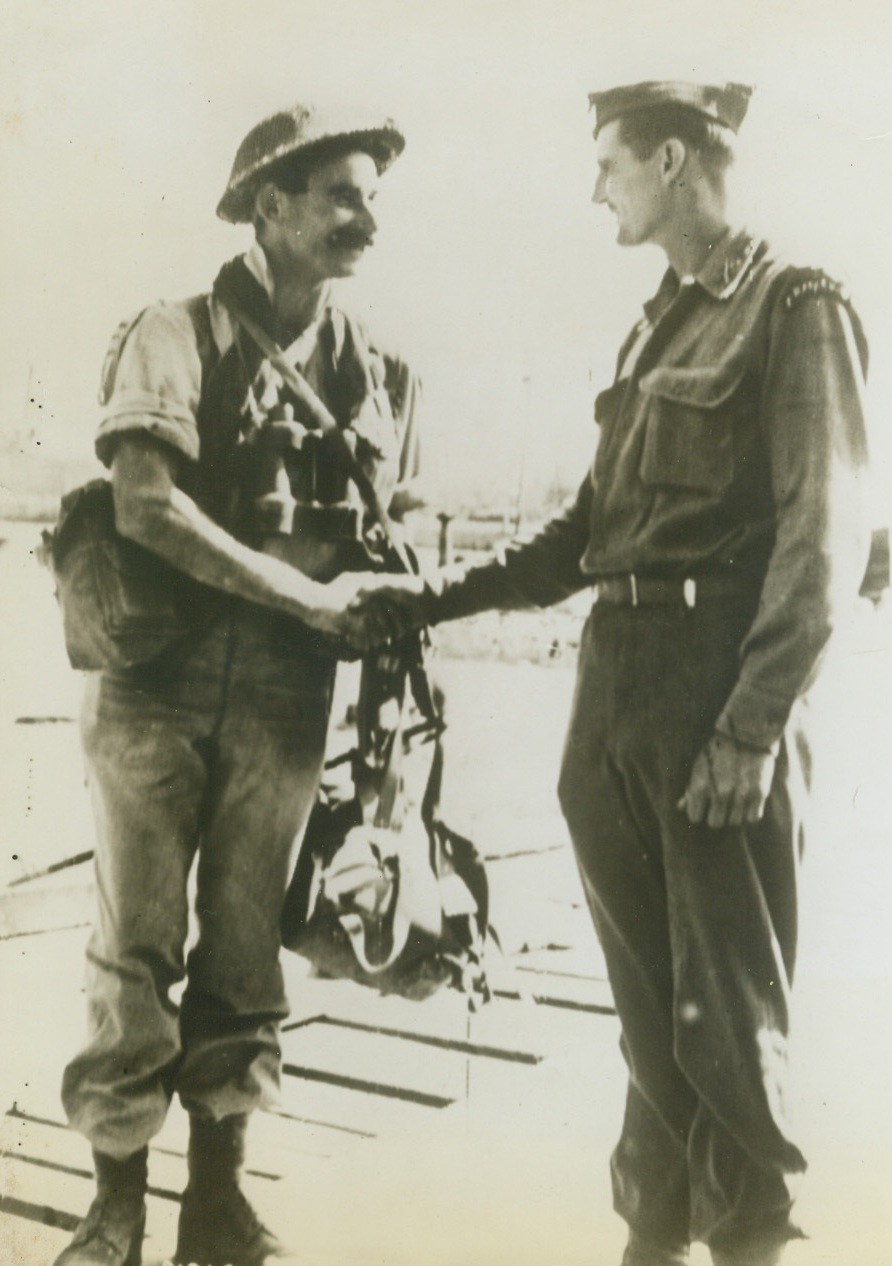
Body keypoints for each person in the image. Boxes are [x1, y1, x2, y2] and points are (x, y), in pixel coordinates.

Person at [347, 81, 873, 1266]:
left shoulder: (795, 306)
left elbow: (823, 542)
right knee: (648, 1013)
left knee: (727, 1014)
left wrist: (748, 730)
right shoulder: (656, 329)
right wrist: (423, 598)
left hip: (709, 698)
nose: (594, 189)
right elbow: (581, 541)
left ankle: (752, 1240)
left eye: (610, 166)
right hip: (612, 698)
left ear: (673, 158)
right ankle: (657, 1230)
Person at [54, 101, 422, 1266]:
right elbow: (143, 503)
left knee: (245, 947)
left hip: (282, 702)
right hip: (152, 691)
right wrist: (308, 599)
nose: (367, 217)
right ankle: (115, 1206)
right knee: (136, 946)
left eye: (372, 196)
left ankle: (217, 1203)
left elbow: (400, 531)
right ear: (270, 205)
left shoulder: (378, 373)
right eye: (343, 193)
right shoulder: (174, 333)